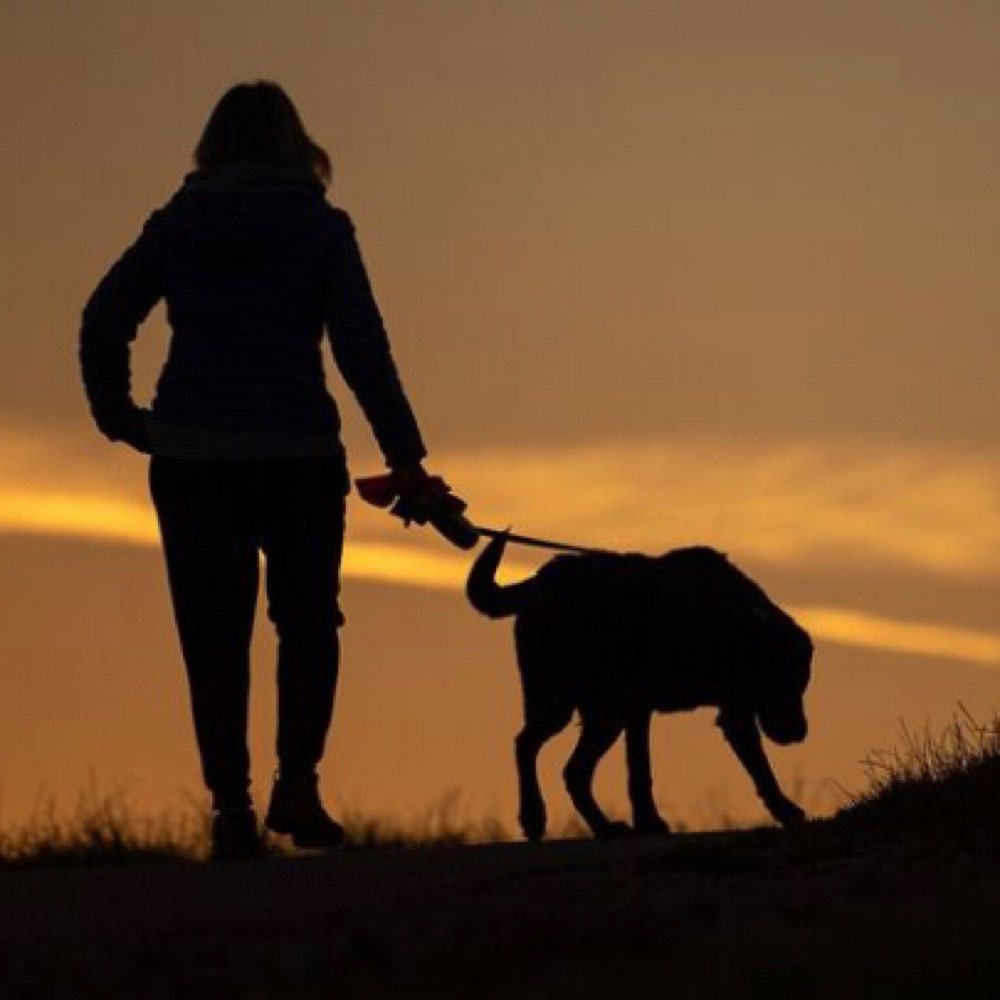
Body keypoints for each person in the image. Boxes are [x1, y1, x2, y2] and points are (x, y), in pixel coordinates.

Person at [80, 81, 435, 860]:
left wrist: (122, 417)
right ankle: (297, 786)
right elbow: (363, 352)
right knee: (308, 624)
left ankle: (232, 809)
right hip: (298, 456)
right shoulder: (321, 228)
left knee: (213, 639)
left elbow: (103, 317)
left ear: (213, 146)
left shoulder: (178, 225)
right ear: (296, 145)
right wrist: (406, 459)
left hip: (194, 458)